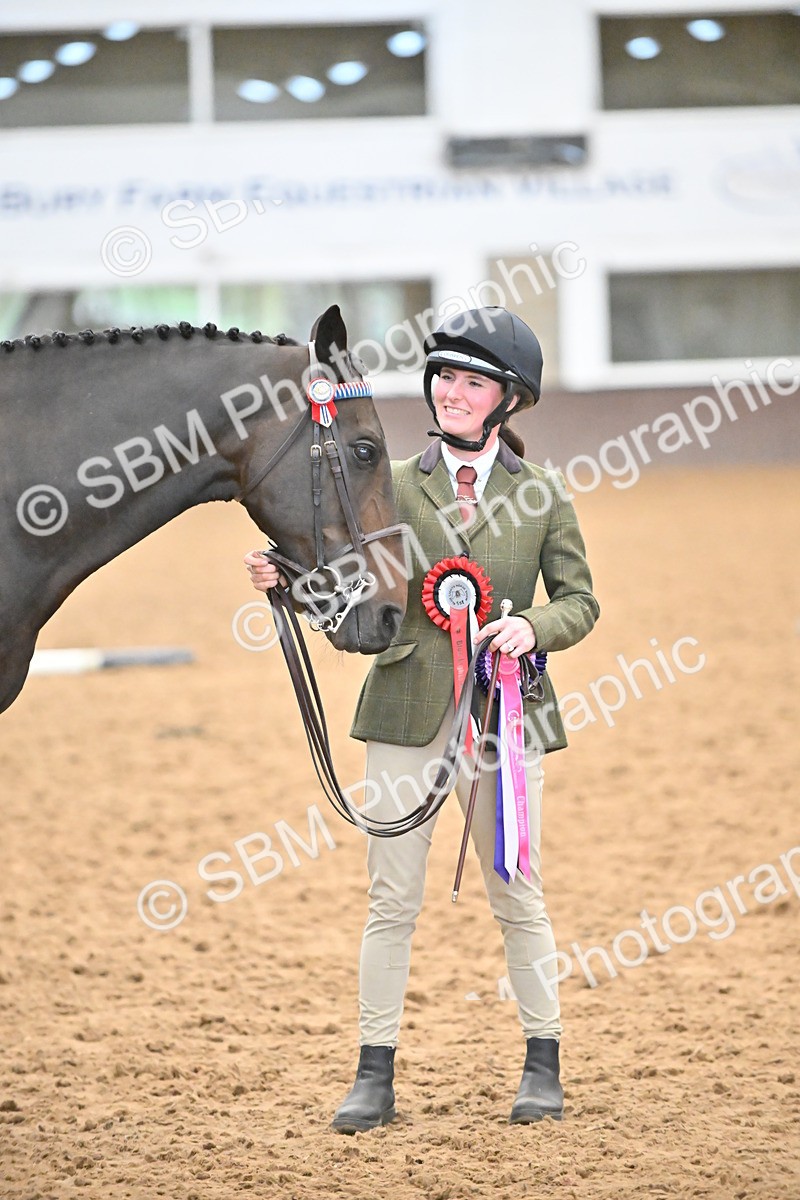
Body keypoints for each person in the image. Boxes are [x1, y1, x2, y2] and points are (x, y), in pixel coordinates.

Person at [244, 306, 599, 1132]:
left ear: (507, 399)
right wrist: (287, 583)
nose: (451, 392)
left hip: (504, 723)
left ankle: (541, 1060)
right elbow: (348, 583)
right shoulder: (391, 485)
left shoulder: (542, 496)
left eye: (472, 381)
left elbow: (581, 601)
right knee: (390, 900)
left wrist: (530, 628)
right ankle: (374, 1074)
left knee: (519, 894)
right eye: (443, 376)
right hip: (406, 711)